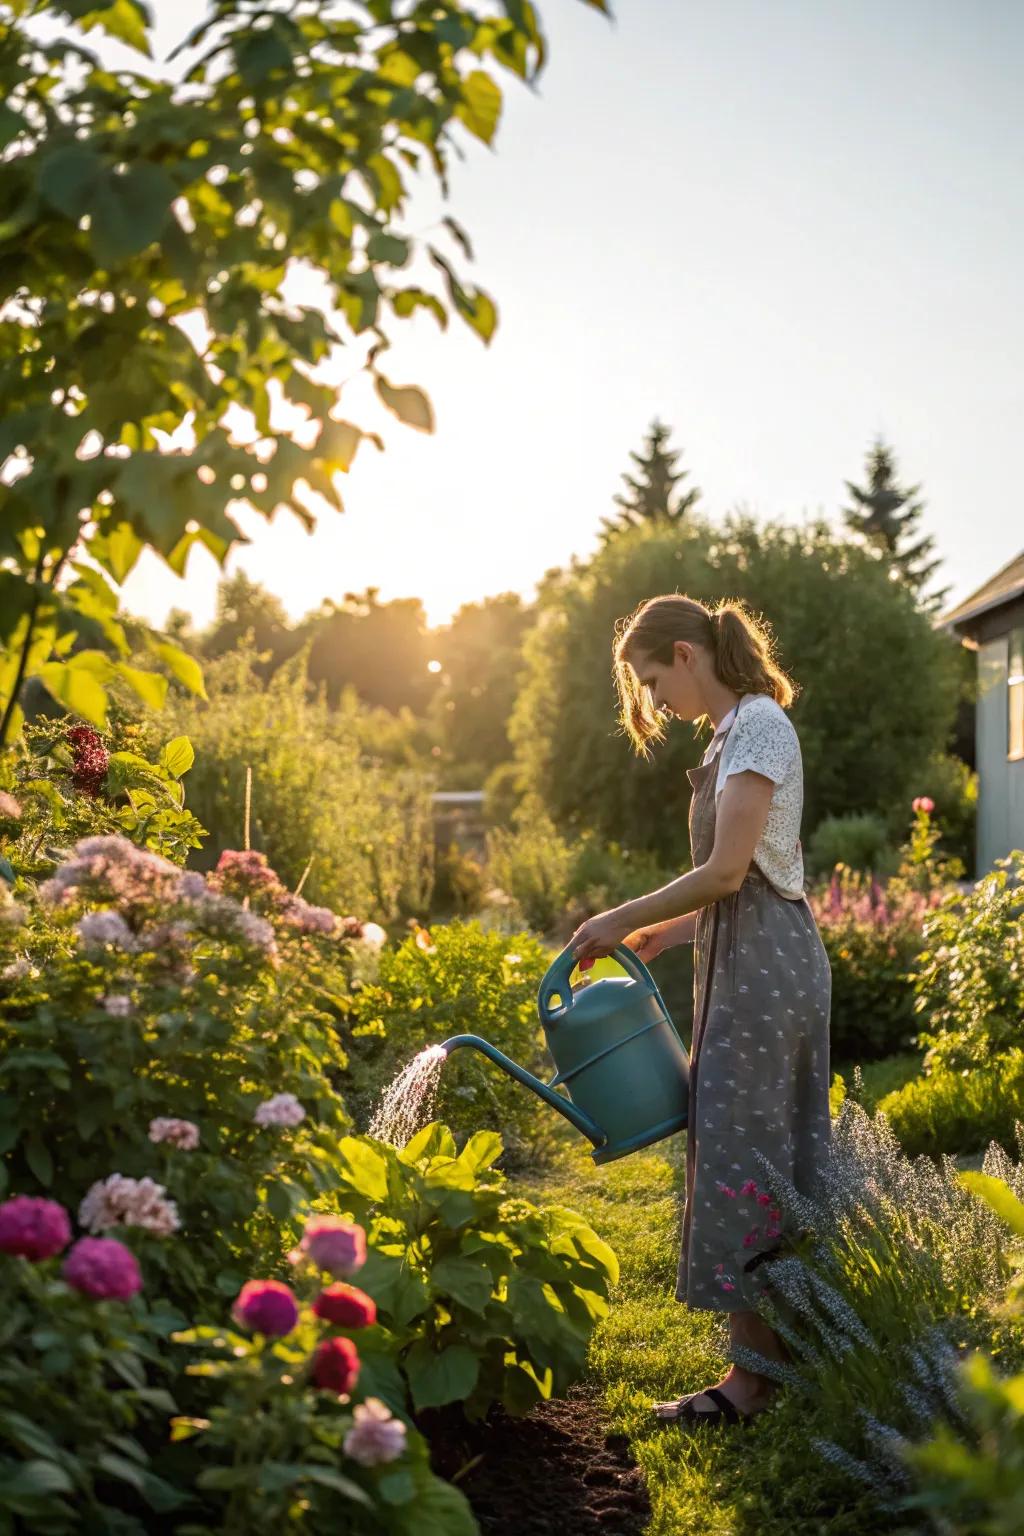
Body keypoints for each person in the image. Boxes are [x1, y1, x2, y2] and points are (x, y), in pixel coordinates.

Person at [571, 593, 832, 1427]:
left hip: (767, 967)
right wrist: (667, 932)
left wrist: (618, 917)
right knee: (741, 1147)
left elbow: (728, 872)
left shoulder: (758, 724)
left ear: (687, 653)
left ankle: (752, 1385)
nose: (654, 703)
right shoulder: (733, 733)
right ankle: (772, 1361)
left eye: (653, 680)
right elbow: (747, 878)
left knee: (745, 1153)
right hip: (748, 955)